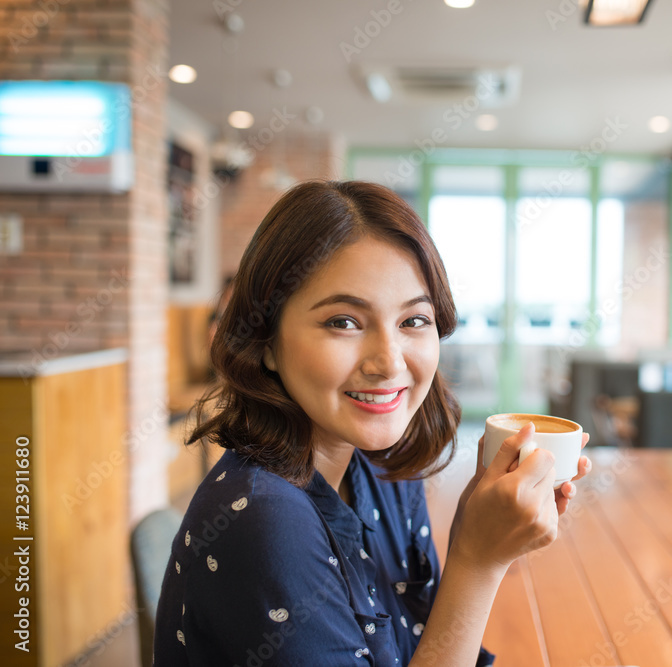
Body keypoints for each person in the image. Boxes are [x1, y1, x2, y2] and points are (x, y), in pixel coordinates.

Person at [153, 180, 591, 666]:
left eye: (414, 321)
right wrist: (479, 561)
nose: (388, 361)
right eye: (344, 321)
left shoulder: (381, 469)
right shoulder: (265, 520)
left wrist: (476, 526)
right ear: (267, 342)